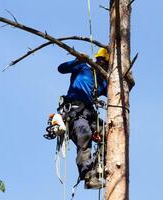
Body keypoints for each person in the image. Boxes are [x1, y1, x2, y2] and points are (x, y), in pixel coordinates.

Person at [57, 48, 109, 189]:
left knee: (108, 134)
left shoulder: (102, 82)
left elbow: (118, 90)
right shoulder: (83, 67)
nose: (101, 63)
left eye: (104, 62)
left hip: (90, 113)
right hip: (75, 110)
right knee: (84, 135)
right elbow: (61, 68)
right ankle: (88, 176)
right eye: (99, 60)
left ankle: (101, 166)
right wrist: (78, 59)